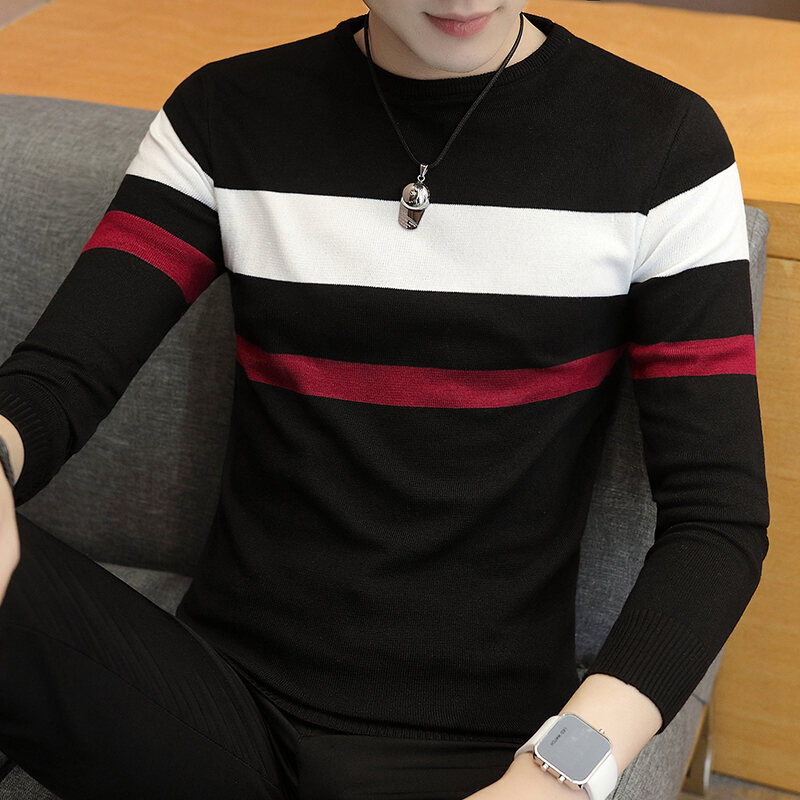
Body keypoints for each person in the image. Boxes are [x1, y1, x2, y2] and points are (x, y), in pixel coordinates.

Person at [0, 1, 770, 798]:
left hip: (474, 745)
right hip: (212, 702)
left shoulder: (664, 147)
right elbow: (59, 378)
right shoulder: (225, 114)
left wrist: (557, 774)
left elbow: (718, 518)